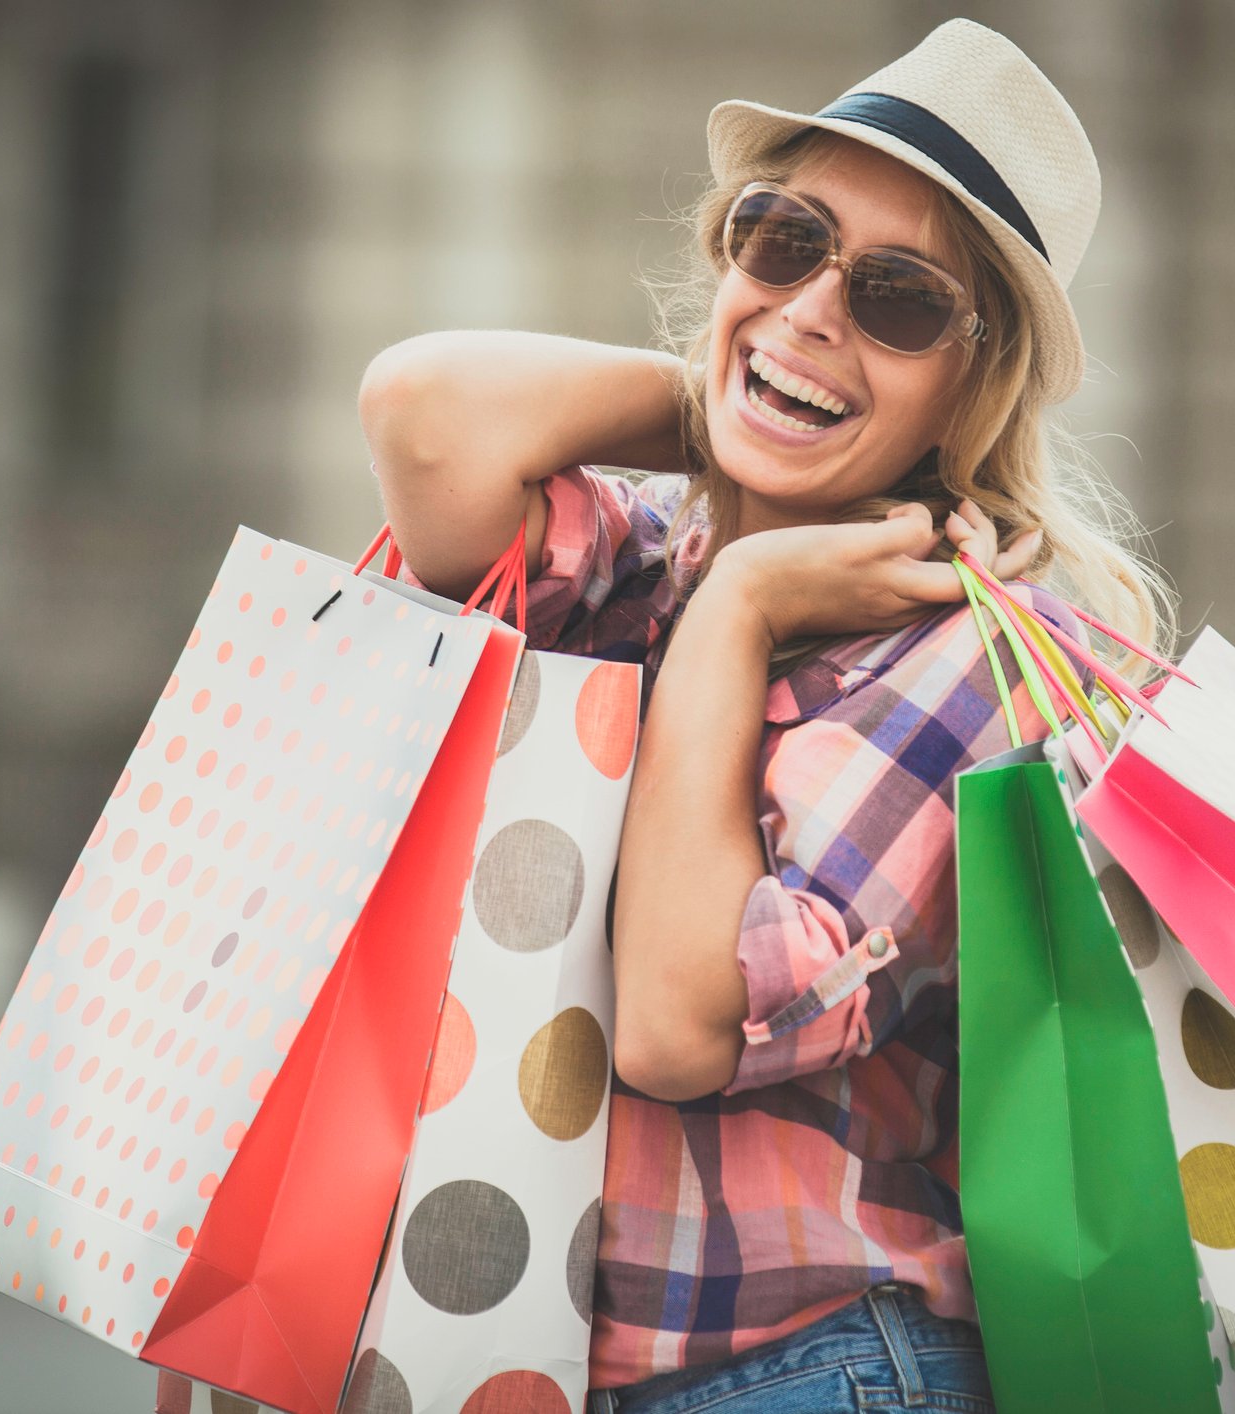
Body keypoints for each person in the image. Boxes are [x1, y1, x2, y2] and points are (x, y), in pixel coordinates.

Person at [360, 20, 1174, 1412]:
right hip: (549, 1365)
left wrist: (738, 615)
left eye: (901, 301)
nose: (814, 306)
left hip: (803, 1371)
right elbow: (421, 410)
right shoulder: (645, 552)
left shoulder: (968, 660)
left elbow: (681, 1025)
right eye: (781, 239)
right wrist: (741, 396)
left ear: (971, 389)